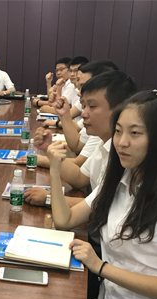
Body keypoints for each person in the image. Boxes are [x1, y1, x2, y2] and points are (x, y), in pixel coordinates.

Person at [10, 90, 157, 299]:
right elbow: (65, 220)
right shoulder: (122, 179)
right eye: (119, 131)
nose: (121, 142)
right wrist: (55, 168)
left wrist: (101, 267)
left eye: (135, 133)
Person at [24, 71, 137, 208]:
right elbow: (79, 178)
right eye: (84, 106)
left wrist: (49, 199)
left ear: (119, 110)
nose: (83, 114)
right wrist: (49, 149)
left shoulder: (127, 153)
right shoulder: (103, 142)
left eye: (92, 106)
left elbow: (104, 207)